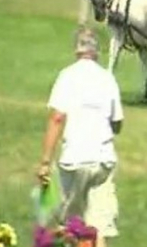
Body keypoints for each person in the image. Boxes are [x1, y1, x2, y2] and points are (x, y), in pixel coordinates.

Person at [36, 28, 124, 247]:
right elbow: (117, 122)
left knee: (71, 227)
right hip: (103, 159)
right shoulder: (107, 78)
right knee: (99, 227)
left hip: (74, 158)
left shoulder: (67, 76)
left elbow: (57, 118)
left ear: (77, 49)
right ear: (97, 51)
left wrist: (46, 162)